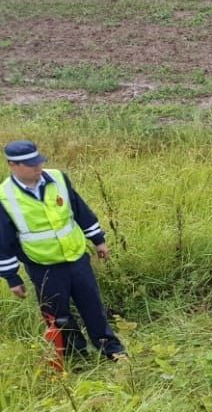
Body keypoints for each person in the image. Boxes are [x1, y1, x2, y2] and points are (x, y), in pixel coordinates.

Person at [0, 140, 126, 361]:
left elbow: (80, 210)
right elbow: (3, 239)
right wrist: (11, 277)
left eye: (38, 162)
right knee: (58, 314)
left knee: (93, 306)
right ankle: (76, 355)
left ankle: (111, 349)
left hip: (76, 258)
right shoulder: (5, 196)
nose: (37, 167)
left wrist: (98, 240)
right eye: (30, 165)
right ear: (13, 165)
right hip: (43, 266)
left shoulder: (58, 178)